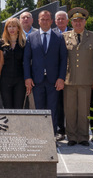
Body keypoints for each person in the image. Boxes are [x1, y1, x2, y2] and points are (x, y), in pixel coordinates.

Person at [24, 10, 67, 139]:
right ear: (38, 21)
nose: (45, 22)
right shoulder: (31, 37)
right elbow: (26, 59)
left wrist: (61, 78)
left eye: (47, 19)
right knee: (39, 109)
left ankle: (51, 137)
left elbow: (63, 59)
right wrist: (27, 77)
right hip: (37, 80)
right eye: (42, 19)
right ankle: (40, 136)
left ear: (51, 21)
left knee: (53, 109)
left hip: (53, 80)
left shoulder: (59, 37)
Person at [62, 8, 93, 147]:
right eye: (75, 21)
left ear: (85, 22)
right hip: (69, 80)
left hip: (86, 80)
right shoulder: (64, 37)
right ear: (71, 23)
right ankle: (72, 136)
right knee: (70, 110)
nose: (78, 23)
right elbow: (62, 59)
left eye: (81, 21)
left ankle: (83, 136)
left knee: (84, 110)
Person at [0, 17, 27, 109]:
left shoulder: (24, 43)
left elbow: (26, 63)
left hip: (20, 80)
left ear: (18, 28)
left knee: (18, 107)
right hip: (5, 80)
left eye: (14, 26)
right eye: (9, 26)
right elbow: (1, 63)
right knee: (7, 107)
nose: (11, 29)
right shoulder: (2, 43)